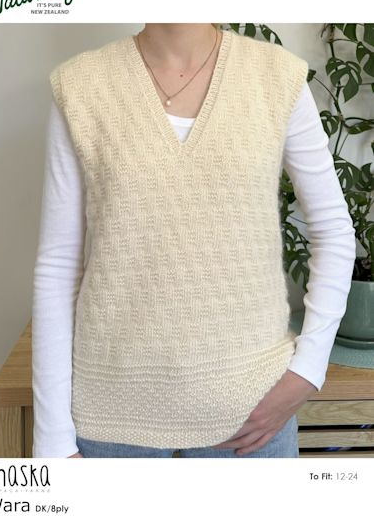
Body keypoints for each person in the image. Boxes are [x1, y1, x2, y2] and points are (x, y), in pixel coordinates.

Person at [32, 23, 356, 458]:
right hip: (112, 423)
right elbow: (58, 266)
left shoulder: (276, 78)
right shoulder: (81, 86)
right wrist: (52, 440)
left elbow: (333, 230)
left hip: (252, 420)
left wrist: (308, 370)